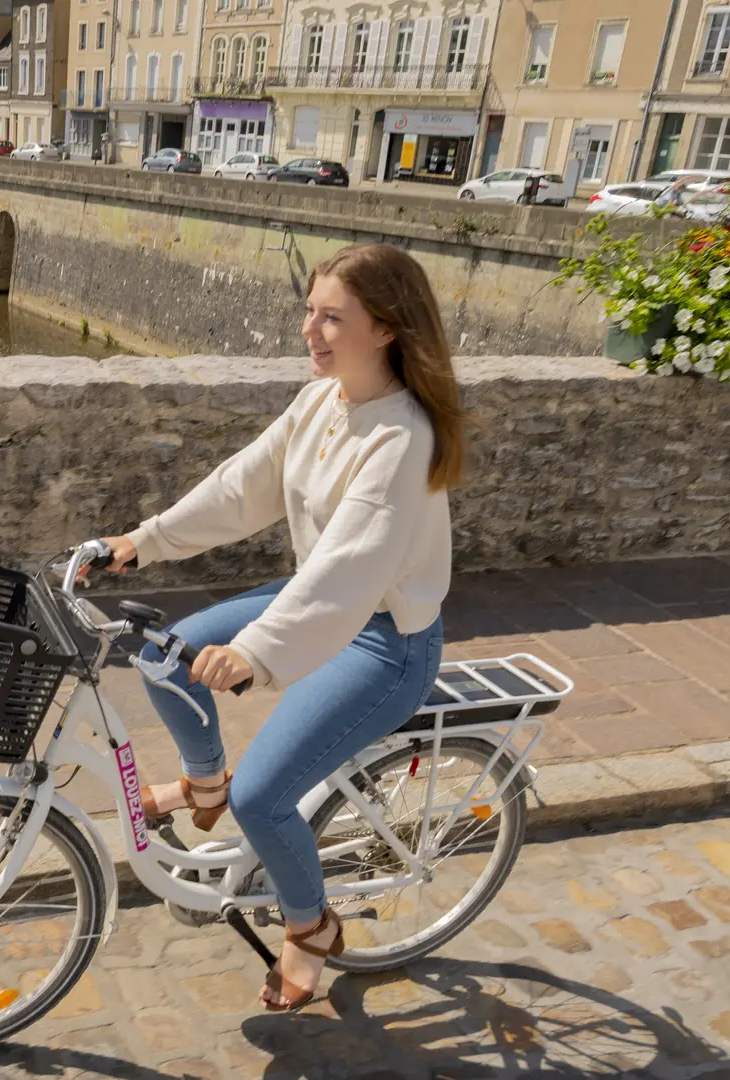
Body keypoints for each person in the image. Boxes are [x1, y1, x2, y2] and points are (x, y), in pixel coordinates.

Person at [93, 243, 466, 1012]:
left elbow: (350, 572)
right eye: (310, 311)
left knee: (264, 796)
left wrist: (255, 654)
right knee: (165, 655)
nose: (311, 330)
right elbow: (243, 486)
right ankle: (204, 781)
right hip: (320, 604)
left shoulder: (402, 439)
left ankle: (311, 926)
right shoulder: (321, 401)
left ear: (387, 329)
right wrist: (146, 538)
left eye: (333, 317)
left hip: (385, 642)